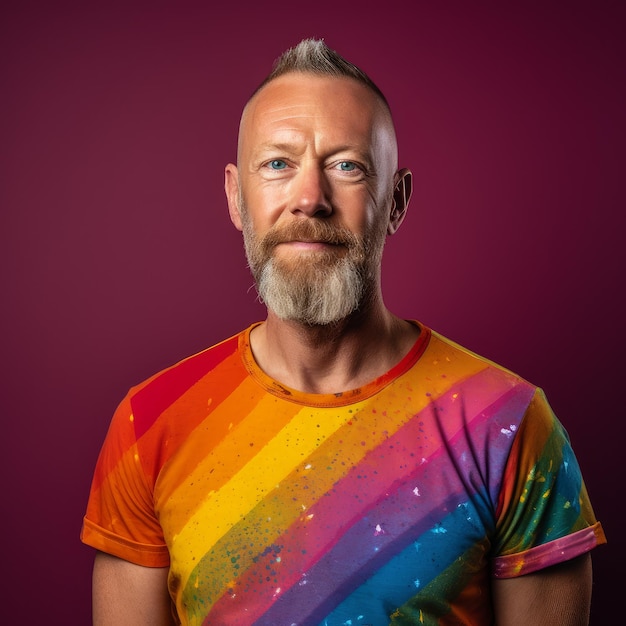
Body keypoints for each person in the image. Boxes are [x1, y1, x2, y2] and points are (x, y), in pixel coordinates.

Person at [81, 38, 606, 625]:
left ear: (397, 201)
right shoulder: (149, 423)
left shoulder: (509, 424)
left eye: (346, 166)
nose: (309, 199)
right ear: (236, 197)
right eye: (277, 164)